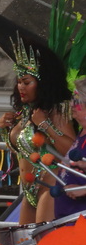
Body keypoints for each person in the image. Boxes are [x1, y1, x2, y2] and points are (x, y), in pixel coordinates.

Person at [0, 35, 75, 224]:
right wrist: (4, 129)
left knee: (43, 239)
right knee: (23, 241)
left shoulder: (57, 110)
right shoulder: (25, 112)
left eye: (27, 82)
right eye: (19, 81)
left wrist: (45, 125)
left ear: (42, 83)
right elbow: (24, 150)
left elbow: (72, 151)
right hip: (29, 190)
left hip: (50, 186)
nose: (21, 87)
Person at [54, 77, 86, 217]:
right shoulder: (82, 133)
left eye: (77, 101)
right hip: (69, 219)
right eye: (73, 99)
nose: (72, 105)